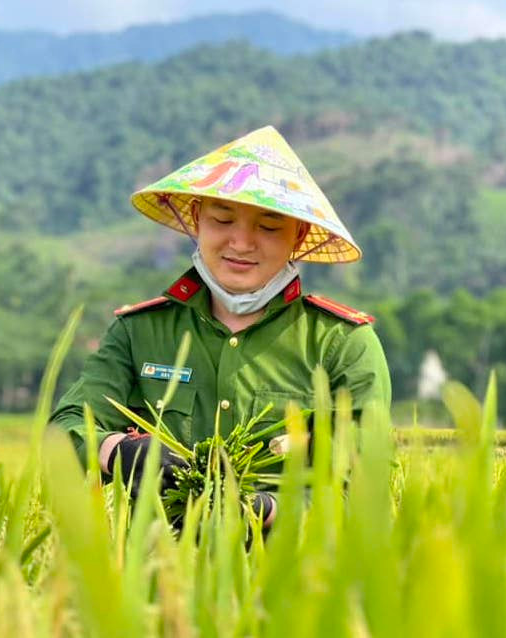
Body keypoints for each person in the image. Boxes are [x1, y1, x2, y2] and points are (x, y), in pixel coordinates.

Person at [51, 126, 391, 525]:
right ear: (197, 219)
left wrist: (266, 512)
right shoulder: (139, 332)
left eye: (268, 227)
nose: (242, 243)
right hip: (161, 572)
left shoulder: (342, 343)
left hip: (292, 575)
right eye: (222, 220)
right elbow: (64, 430)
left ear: (297, 236)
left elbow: (364, 489)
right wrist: (116, 450)